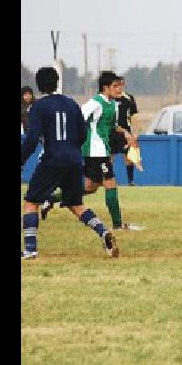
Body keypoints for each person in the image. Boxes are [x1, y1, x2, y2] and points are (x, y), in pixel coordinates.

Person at [20, 67, 119, 259]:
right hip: (74, 159)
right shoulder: (72, 104)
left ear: (39, 85)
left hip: (52, 159)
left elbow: (31, 139)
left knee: (31, 202)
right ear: (57, 82)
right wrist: (72, 150)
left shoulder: (38, 107)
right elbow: (82, 134)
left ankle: (31, 250)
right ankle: (103, 232)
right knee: (76, 204)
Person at [38, 72, 141, 231]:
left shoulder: (113, 104)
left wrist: (126, 133)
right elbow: (77, 117)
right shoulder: (95, 102)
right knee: (110, 184)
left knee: (89, 187)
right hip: (95, 151)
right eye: (115, 86)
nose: (118, 89)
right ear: (105, 87)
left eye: (119, 86)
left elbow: (112, 125)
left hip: (102, 150)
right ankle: (118, 224)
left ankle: (51, 198)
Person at [111, 76, 140, 186]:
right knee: (110, 157)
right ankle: (111, 180)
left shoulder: (129, 98)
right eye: (116, 85)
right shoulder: (109, 98)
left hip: (126, 132)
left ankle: (131, 181)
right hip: (112, 131)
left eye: (121, 85)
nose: (119, 87)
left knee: (128, 157)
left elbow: (134, 116)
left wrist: (135, 132)